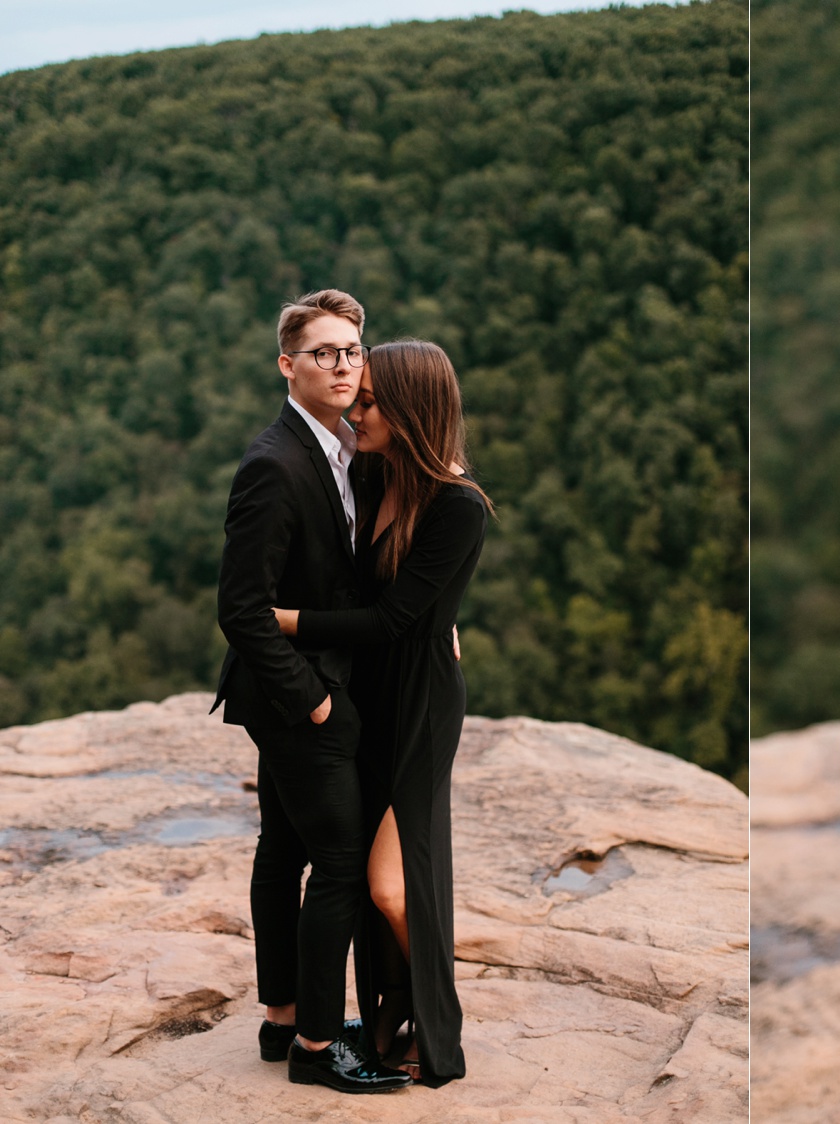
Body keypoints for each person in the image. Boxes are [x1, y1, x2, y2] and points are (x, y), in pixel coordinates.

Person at [272, 339, 492, 1088]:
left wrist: (287, 622)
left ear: (408, 410)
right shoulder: (371, 471)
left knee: (394, 885)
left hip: (421, 702)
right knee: (373, 877)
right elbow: (359, 586)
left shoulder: (459, 507)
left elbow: (391, 619)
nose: (353, 412)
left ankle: (438, 1018)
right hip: (369, 694)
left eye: (367, 403)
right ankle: (393, 1023)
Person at [213, 289, 412, 1093]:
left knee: (284, 848)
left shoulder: (339, 447)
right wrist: (313, 701)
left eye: (352, 351)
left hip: (303, 693)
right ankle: (318, 1049)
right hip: (298, 700)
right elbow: (240, 607)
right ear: (287, 365)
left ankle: (284, 1017)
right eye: (323, 352)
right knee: (335, 863)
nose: (341, 365)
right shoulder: (274, 462)